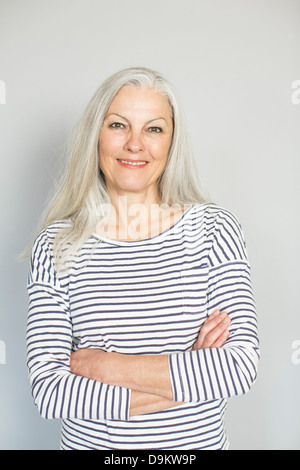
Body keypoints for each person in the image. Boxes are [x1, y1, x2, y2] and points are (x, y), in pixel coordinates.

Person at [26, 67, 259, 450]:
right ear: (95, 137)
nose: (135, 144)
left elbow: (237, 367)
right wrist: (191, 374)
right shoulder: (56, 245)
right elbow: (50, 391)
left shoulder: (214, 230)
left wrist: (103, 366)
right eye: (118, 125)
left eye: (154, 129)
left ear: (171, 142)